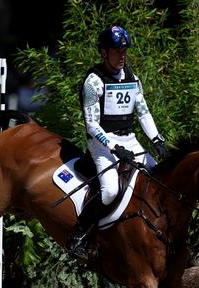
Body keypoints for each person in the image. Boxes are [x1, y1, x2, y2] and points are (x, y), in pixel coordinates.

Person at [67, 25, 168, 262]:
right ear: (104, 53)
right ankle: (79, 233)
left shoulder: (132, 77)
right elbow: (92, 126)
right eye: (117, 51)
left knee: (157, 178)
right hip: (102, 144)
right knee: (111, 190)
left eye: (125, 50)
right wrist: (113, 148)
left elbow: (143, 113)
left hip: (129, 140)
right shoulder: (93, 83)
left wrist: (157, 139)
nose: (122, 55)